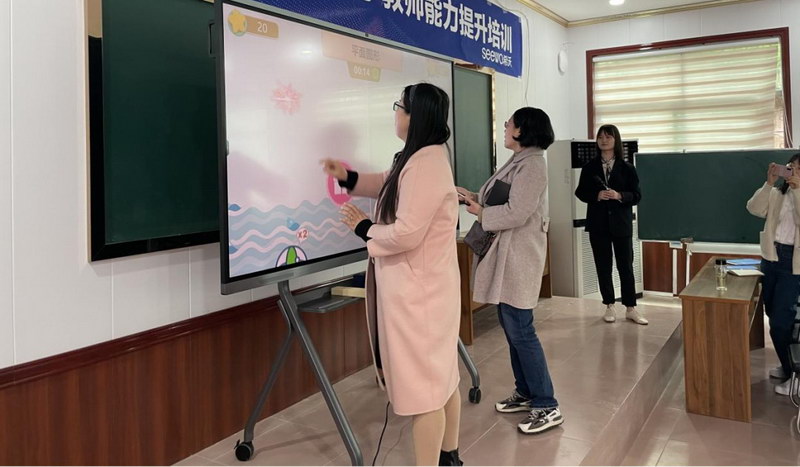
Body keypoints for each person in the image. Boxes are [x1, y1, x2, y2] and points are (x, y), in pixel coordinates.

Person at [321, 83, 463, 466]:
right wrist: (347, 177)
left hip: (420, 297)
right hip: (425, 291)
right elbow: (385, 182)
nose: (395, 112)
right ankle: (450, 457)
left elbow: (406, 234)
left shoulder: (426, 164)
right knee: (441, 378)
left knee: (425, 392)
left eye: (399, 106)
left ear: (415, 116)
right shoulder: (418, 157)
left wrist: (364, 228)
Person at [456, 107, 563, 435]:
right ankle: (526, 392)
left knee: (521, 330)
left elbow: (517, 212)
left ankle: (547, 404)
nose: (505, 127)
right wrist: (473, 197)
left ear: (522, 130)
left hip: (518, 257)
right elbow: (500, 198)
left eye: (509, 123)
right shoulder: (519, 160)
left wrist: (480, 212)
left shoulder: (532, 165)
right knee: (513, 327)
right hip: (508, 255)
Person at [574, 124, 647, 325]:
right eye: (600, 137)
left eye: (608, 137)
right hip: (598, 225)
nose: (604, 140)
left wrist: (619, 195)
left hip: (621, 225)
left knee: (626, 266)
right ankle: (609, 305)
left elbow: (637, 195)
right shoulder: (590, 168)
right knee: (603, 266)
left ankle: (630, 308)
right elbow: (580, 192)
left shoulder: (627, 168)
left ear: (616, 140)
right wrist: (597, 195)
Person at [746, 154, 800, 396]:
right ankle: (788, 367)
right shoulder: (778, 192)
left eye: (798, 169)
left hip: (793, 263)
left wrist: (798, 191)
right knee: (771, 313)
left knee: (780, 321)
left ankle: (795, 375)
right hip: (771, 257)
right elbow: (754, 208)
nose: (793, 173)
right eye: (790, 168)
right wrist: (768, 183)